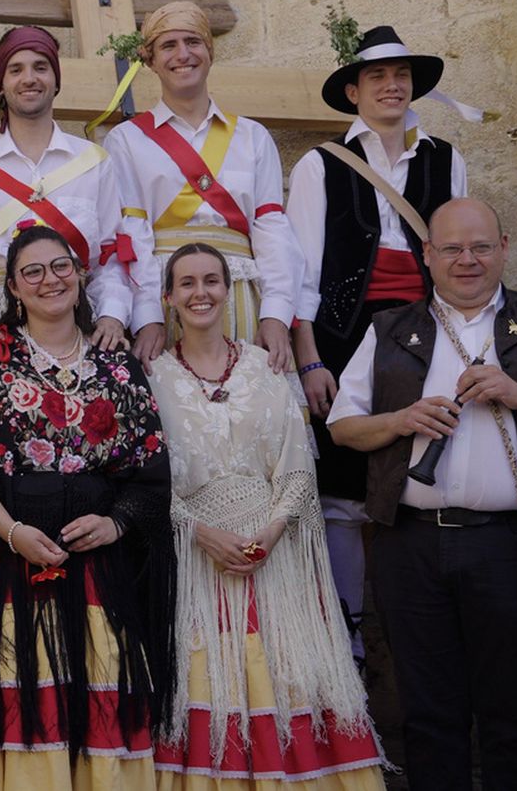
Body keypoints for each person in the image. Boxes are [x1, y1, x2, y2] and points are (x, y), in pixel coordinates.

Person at [328, 199, 517, 790]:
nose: (466, 260)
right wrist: (401, 420)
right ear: (428, 255)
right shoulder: (389, 328)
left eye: (479, 247)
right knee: (427, 713)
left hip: (508, 546)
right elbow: (343, 427)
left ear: (503, 246)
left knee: (514, 713)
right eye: (451, 248)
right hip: (409, 545)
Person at [0, 225, 175, 788]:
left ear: (81, 275)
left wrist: (116, 525)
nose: (51, 280)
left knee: (106, 709)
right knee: (30, 715)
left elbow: (150, 472)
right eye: (33, 272)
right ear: (13, 289)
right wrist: (12, 530)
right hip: (15, 567)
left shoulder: (119, 368)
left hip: (100, 575)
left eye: (61, 266)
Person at [147, 243, 383, 788]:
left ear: (231, 291)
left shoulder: (266, 368)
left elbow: (297, 466)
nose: (200, 292)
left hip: (273, 561)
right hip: (198, 563)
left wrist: (271, 532)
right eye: (186, 283)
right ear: (168, 298)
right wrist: (199, 532)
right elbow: (147, 481)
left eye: (211, 280)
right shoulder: (152, 380)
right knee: (211, 685)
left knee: (285, 678)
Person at [286, 25, 468, 667]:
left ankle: (426, 634)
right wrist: (309, 359)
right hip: (341, 338)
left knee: (422, 473)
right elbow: (303, 271)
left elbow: (459, 258)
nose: (392, 86)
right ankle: (350, 638)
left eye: (401, 76)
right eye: (378, 78)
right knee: (342, 488)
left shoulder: (446, 158)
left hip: (424, 335)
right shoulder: (319, 164)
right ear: (355, 91)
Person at [104, 1, 300, 372]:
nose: (183, 54)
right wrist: (147, 316)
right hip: (167, 297)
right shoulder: (126, 141)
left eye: (193, 42)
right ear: (150, 59)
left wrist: (275, 313)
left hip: (241, 295)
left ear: (209, 52)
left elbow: (272, 229)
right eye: (168, 45)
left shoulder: (252, 137)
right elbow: (132, 233)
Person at [0, 25, 153, 354]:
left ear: (56, 80)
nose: (29, 78)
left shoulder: (94, 162)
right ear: (1, 83)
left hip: (78, 322)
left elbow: (111, 255)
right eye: (16, 70)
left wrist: (113, 315)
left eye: (40, 67)